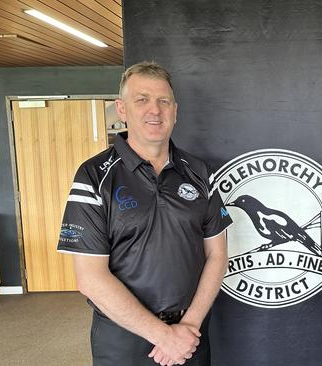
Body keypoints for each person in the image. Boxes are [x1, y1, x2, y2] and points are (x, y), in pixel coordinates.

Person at [57, 61, 231, 366]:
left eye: (164, 101)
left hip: (190, 335)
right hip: (123, 339)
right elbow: (90, 278)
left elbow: (217, 255)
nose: (155, 110)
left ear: (175, 111)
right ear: (122, 109)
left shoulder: (202, 173)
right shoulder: (93, 176)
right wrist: (164, 337)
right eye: (142, 100)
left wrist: (187, 328)